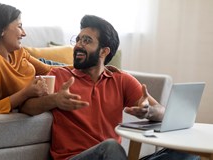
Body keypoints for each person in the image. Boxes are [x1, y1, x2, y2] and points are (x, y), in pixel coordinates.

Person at [20, 15, 200, 160]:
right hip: (75, 157)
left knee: (187, 152)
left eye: (87, 40)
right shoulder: (59, 75)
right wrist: (54, 99)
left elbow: (162, 111)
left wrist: (148, 112)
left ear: (104, 52)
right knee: (110, 146)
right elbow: (26, 107)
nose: (78, 45)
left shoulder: (121, 80)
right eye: (78, 39)